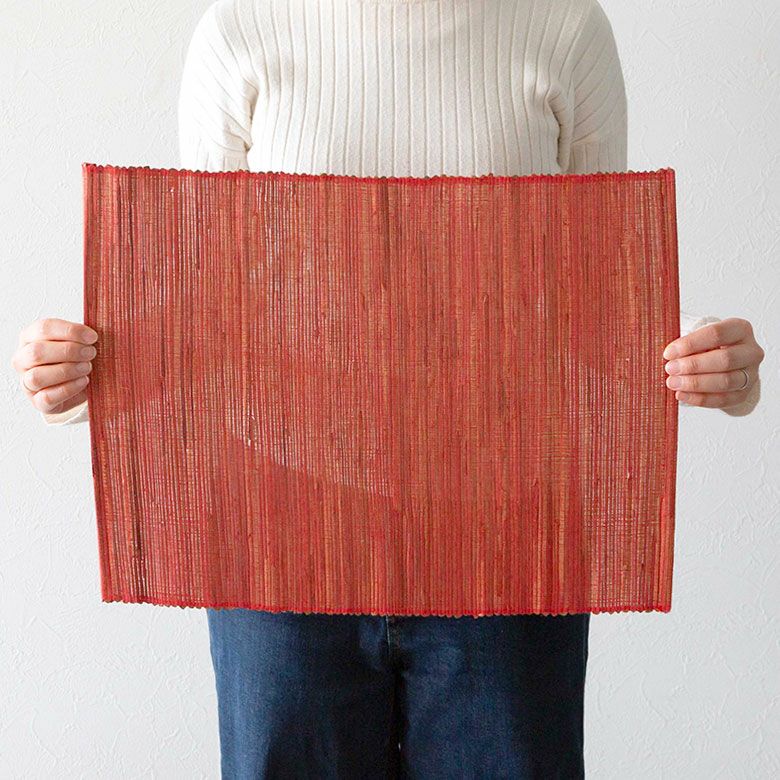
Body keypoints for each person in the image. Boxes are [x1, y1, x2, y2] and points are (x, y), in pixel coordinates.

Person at [11, 1, 765, 776]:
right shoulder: (242, 30)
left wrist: (701, 358)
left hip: (505, 532)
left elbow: (595, 294)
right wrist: (85, 373)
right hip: (280, 534)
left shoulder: (563, 25)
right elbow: (210, 306)